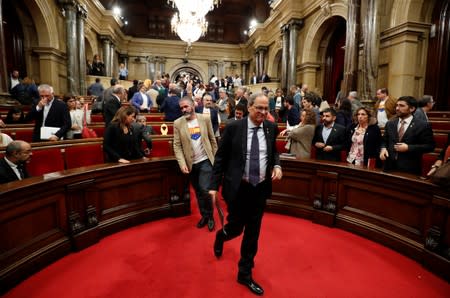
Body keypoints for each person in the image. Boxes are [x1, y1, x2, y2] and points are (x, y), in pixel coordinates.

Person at [209, 93, 282, 296]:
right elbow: (221, 157)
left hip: (259, 189)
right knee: (235, 228)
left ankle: (245, 273)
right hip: (238, 189)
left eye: (266, 109)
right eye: (259, 108)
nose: (263, 112)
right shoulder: (233, 128)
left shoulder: (270, 127)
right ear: (249, 107)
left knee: (253, 233)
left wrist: (276, 164)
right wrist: (213, 185)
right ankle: (221, 236)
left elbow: (273, 151)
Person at [173, 96, 218, 231]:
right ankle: (204, 215)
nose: (184, 109)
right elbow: (177, 146)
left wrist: (215, 160)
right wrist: (182, 163)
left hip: (205, 160)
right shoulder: (178, 123)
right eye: (181, 108)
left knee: (205, 190)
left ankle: (210, 216)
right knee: (198, 191)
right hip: (191, 163)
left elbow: (212, 139)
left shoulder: (204, 119)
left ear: (193, 105)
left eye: (186, 106)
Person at [380, 96, 435, 175]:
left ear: (412, 108)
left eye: (401, 106)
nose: (397, 108)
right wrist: (383, 148)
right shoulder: (390, 123)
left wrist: (409, 148)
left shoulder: (422, 125)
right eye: (397, 105)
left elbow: (430, 146)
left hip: (409, 169)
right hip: (389, 167)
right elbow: (384, 140)